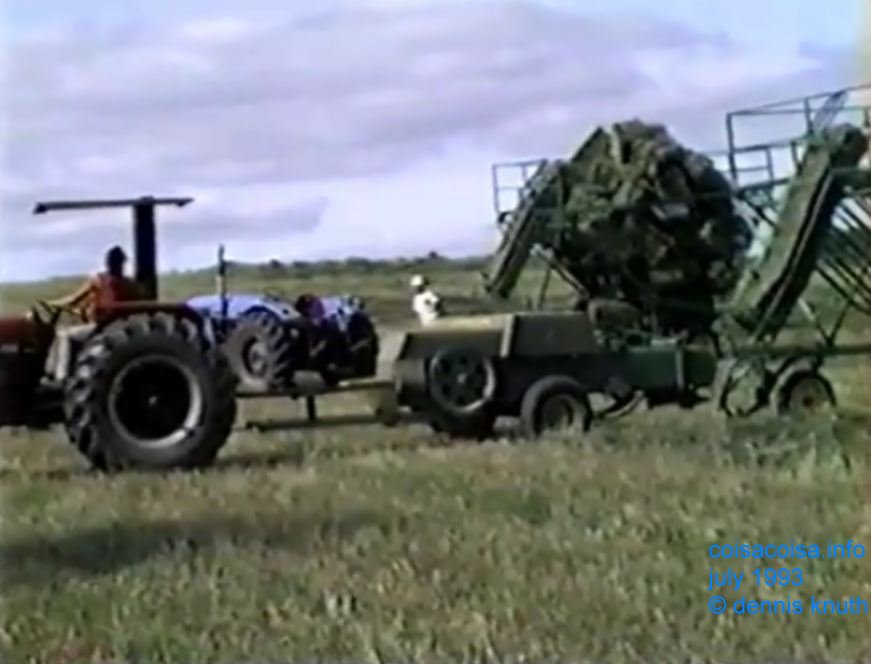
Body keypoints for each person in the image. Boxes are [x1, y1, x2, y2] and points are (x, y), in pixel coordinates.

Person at [43, 245, 142, 382]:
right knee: (72, 332)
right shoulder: (130, 284)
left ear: (108, 262)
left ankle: (59, 376)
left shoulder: (99, 280)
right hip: (119, 327)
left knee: (63, 334)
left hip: (101, 327)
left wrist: (52, 304)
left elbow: (73, 299)